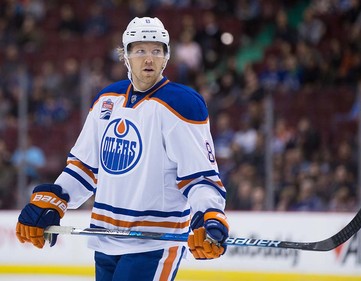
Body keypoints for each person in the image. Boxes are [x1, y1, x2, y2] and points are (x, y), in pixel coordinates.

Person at [15, 17, 229, 281]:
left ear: (166, 57)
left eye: (156, 51)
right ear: (125, 55)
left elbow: (200, 176)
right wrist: (56, 201)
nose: (148, 58)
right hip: (104, 239)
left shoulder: (183, 104)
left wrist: (209, 213)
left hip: (154, 244)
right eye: (140, 50)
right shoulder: (108, 99)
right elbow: (84, 168)